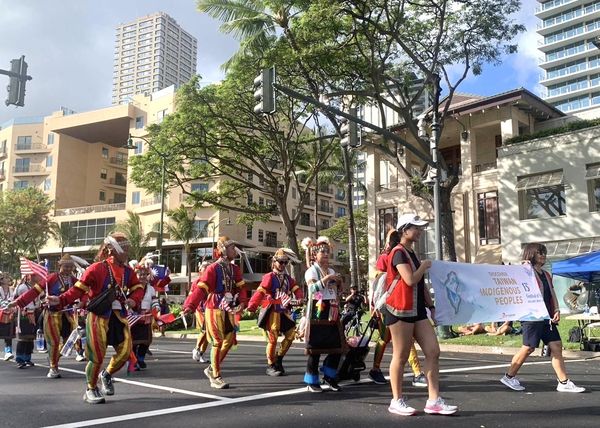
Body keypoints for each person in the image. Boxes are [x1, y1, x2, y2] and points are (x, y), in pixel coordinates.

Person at [47, 233, 144, 404]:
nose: (127, 250)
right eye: (124, 247)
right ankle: (91, 388)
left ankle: (106, 374)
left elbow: (138, 289)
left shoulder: (128, 271)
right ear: (112, 250)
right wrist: (60, 300)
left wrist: (133, 299)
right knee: (97, 355)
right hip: (98, 316)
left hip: (118, 316)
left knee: (126, 352)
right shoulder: (96, 269)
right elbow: (77, 290)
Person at [383, 213, 457, 416]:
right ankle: (396, 400)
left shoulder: (411, 252)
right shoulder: (398, 252)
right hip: (399, 310)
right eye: (416, 227)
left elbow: (420, 283)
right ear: (404, 230)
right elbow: (410, 279)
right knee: (401, 355)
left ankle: (434, 400)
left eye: (420, 227)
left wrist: (431, 306)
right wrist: (424, 266)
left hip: (417, 311)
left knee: (433, 351)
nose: (420, 231)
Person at [500, 243, 585, 393]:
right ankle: (509, 376)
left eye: (544, 253)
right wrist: (524, 266)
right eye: (540, 253)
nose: (543, 256)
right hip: (531, 316)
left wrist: (556, 310)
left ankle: (563, 382)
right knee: (529, 347)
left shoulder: (545, 274)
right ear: (531, 254)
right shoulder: (525, 271)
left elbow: (551, 293)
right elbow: (514, 276)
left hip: (547, 316)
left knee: (556, 346)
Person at [183, 236, 248, 389]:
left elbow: (241, 288)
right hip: (214, 308)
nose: (235, 250)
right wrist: (190, 305)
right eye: (232, 248)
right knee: (217, 341)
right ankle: (215, 376)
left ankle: (212, 368)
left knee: (230, 339)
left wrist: (243, 303)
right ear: (224, 250)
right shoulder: (212, 268)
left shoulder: (235, 269)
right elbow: (201, 289)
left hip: (229, 308)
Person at [368, 229, 427, 388]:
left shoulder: (406, 254)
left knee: (405, 340)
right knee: (385, 337)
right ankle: (376, 369)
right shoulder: (389, 256)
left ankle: (417, 373)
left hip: (404, 305)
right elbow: (378, 284)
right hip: (387, 304)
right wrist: (375, 305)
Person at [11, 254, 79, 378]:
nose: (68, 269)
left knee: (70, 340)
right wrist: (17, 302)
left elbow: (83, 291)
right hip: (52, 314)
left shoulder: (74, 280)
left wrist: (82, 302)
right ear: (60, 265)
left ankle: (54, 358)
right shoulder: (51, 278)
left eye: (70, 267)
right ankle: (53, 367)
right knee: (54, 341)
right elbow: (34, 292)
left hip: (68, 314)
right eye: (66, 266)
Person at [247, 248, 304, 376]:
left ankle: (279, 358)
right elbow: (260, 291)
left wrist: (300, 298)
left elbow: (297, 289)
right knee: (272, 339)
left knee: (291, 334)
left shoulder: (288, 278)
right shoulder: (269, 277)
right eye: (281, 262)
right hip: (272, 310)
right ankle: (271, 364)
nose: (283, 265)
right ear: (274, 262)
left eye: (285, 262)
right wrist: (252, 305)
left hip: (284, 311)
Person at [301, 236, 343, 392]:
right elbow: (312, 290)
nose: (326, 254)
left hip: (332, 309)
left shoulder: (331, 270)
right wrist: (328, 278)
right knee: (315, 348)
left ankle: (329, 375)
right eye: (322, 252)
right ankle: (311, 381)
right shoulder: (311, 271)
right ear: (314, 255)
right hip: (318, 310)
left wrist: (338, 282)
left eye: (327, 251)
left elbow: (336, 290)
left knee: (338, 347)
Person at [130, 258, 162, 370]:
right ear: (135, 275)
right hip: (134, 318)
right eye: (140, 274)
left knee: (146, 341)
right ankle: (134, 362)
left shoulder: (151, 289)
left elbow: (154, 301)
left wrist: (156, 308)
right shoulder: (131, 288)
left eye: (145, 274)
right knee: (133, 343)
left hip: (147, 317)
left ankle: (141, 359)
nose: (142, 276)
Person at [12, 273, 45, 369]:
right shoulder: (22, 287)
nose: (40, 277)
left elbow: (42, 298)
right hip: (24, 313)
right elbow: (22, 300)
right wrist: (30, 310)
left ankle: (27, 357)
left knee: (31, 337)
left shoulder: (37, 287)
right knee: (23, 338)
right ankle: (20, 359)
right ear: (31, 277)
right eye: (38, 276)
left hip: (35, 313)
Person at [191, 261, 210, 364]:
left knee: (208, 334)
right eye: (205, 268)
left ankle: (201, 353)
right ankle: (197, 349)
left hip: (210, 309)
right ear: (200, 270)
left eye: (208, 267)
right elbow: (191, 297)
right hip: (200, 309)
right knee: (204, 331)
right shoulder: (196, 282)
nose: (207, 269)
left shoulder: (212, 281)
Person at [0, 273, 15, 361]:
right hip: (1, 314)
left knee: (8, 334)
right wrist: (9, 305)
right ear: (1, 280)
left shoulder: (11, 290)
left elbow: (14, 299)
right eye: (5, 278)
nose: (8, 279)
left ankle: (8, 352)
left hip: (9, 314)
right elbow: (1, 301)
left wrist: (12, 307)